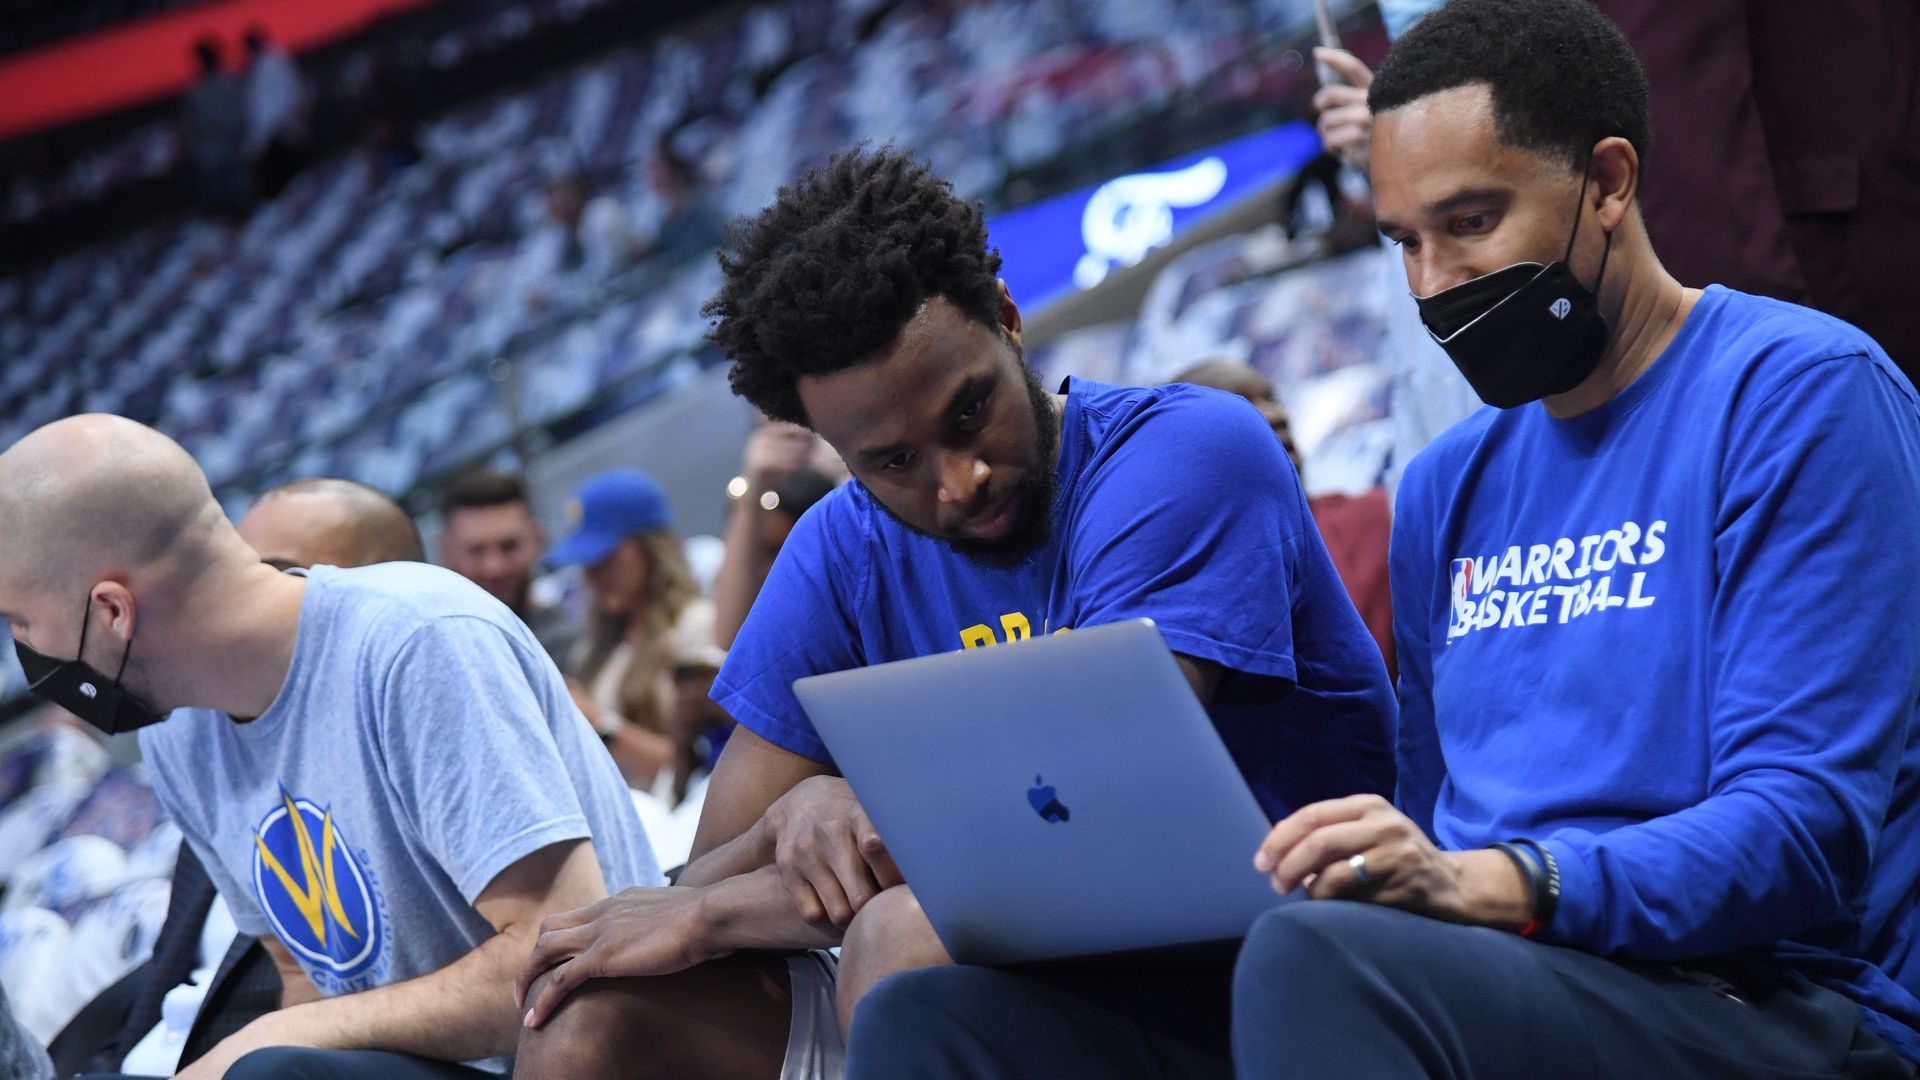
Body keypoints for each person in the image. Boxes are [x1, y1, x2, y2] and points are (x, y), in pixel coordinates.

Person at [848, 1, 1920, 1076]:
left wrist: (1498, 884)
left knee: (1324, 964)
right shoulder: (1450, 481)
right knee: (931, 1020)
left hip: (1757, 994)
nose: (1430, 285)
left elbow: (1803, 833)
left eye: (1469, 222)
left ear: (1607, 182)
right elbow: (1434, 813)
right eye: (1403, 239)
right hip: (1495, 975)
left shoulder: (1801, 395)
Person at [507, 146, 1396, 1078]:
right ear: (833, 449)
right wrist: (787, 823)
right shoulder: (837, 549)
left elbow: (1092, 812)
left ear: (1007, 321)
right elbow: (708, 869)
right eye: (893, 462)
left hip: (1279, 954)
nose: (959, 481)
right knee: (583, 1019)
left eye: (969, 414)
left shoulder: (1186, 449)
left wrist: (723, 905)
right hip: (1043, 990)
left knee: (904, 936)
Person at [0, 415, 661, 1080]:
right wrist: (284, 1040)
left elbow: (559, 960)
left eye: (20, 622)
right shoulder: (179, 733)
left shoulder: (418, 639)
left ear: (113, 612)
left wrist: (275, 1042)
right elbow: (303, 970)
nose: (26, 649)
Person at [83, 476, 428, 1077]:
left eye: (280, 572)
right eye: (241, 566)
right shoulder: (191, 740)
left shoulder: (407, 677)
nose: (241, 592)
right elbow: (171, 976)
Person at [1172, 360, 1394, 682]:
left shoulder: (1380, 518)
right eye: (1242, 406)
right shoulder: (1183, 586)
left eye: (1272, 398)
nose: (1278, 415)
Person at [549, 468, 713, 798]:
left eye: (605, 558)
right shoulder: (595, 644)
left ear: (649, 549)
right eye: (586, 563)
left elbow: (698, 761)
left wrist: (597, 721)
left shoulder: (695, 624)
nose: (593, 575)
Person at [712, 419, 843, 648]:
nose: (788, 434)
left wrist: (847, 469)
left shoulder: (837, 486)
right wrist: (752, 491)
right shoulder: (753, 500)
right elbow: (729, 636)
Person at [435, 467, 580, 666]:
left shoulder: (574, 647)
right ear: (445, 552)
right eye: (476, 551)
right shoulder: (439, 656)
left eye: (508, 547)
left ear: (536, 540)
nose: (495, 568)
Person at [181, 38, 251, 216]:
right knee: (221, 201)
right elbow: (192, 125)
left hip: (231, 148)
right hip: (213, 152)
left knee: (239, 197)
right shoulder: (197, 90)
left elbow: (243, 112)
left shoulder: (227, 82)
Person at [242, 26, 308, 199]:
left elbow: (293, 90)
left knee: (296, 179)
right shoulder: (254, 68)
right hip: (270, 136)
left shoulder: (277, 60)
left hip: (284, 128)